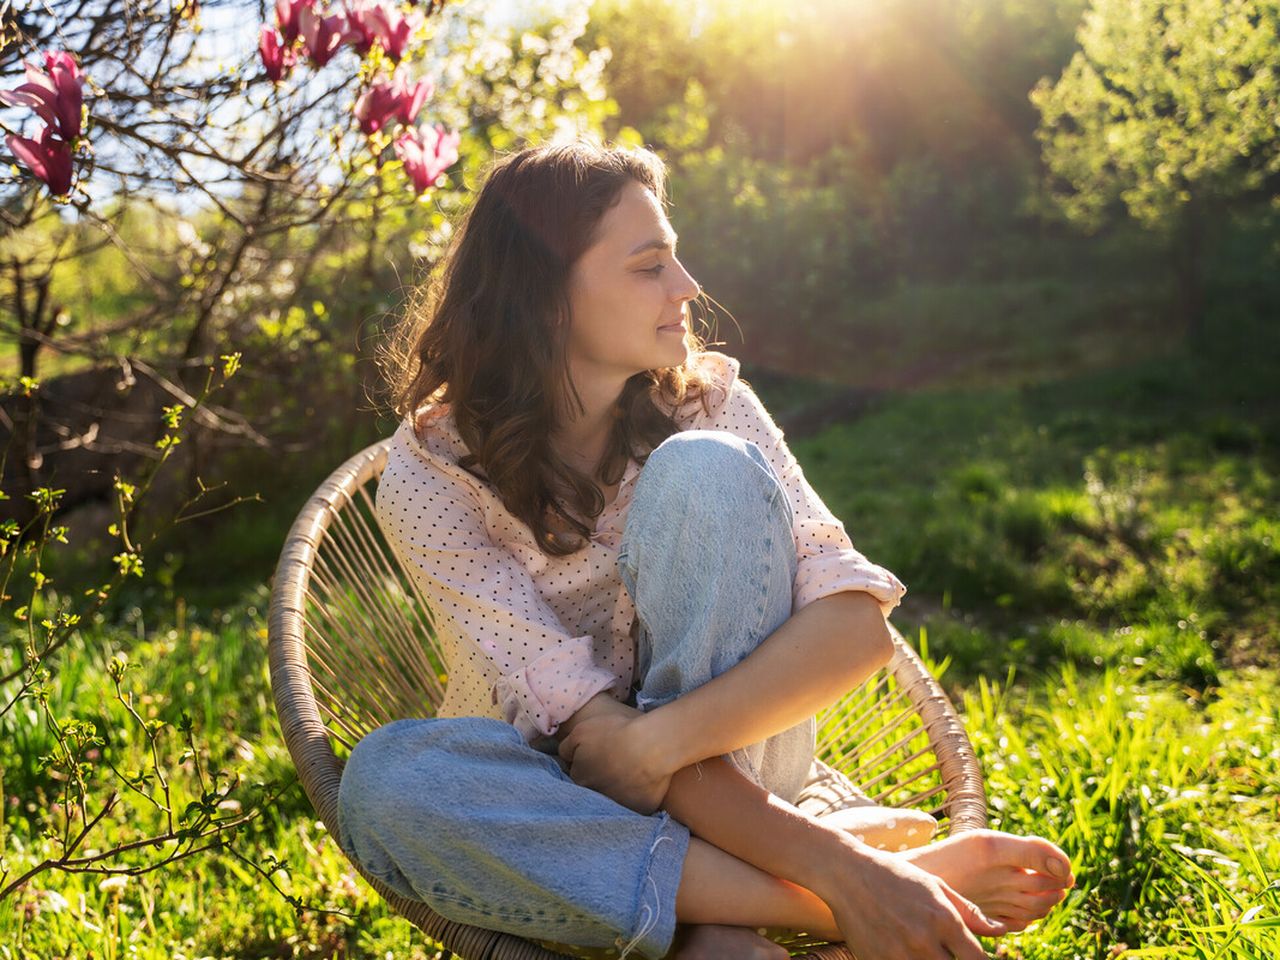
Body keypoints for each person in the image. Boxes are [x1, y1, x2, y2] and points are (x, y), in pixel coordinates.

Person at [336, 138, 1075, 960]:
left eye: (676, 260)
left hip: (747, 765)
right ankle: (840, 889)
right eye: (650, 266)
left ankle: (719, 922)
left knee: (707, 472)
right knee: (384, 783)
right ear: (545, 296)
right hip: (554, 803)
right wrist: (849, 875)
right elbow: (580, 735)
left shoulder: (710, 407)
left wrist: (655, 743)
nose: (687, 288)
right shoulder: (432, 474)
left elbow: (855, 626)